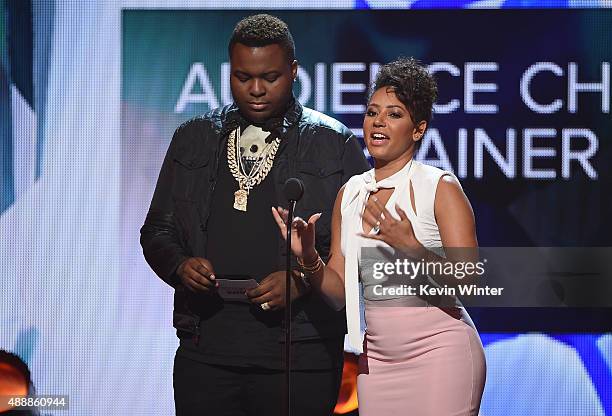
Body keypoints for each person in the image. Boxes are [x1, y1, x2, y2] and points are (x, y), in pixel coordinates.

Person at [140, 14, 369, 416]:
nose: (257, 90)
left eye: (270, 77)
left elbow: (358, 248)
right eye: (243, 77)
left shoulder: (333, 143)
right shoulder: (193, 137)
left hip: (301, 351)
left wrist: (301, 280)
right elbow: (157, 230)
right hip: (206, 348)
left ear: (294, 71)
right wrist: (180, 265)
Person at [272, 57, 486, 415]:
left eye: (394, 114)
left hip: (442, 353)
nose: (378, 122)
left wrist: (410, 247)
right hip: (378, 362)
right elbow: (338, 294)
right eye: (373, 112)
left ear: (417, 130)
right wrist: (309, 257)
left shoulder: (439, 187)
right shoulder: (351, 192)